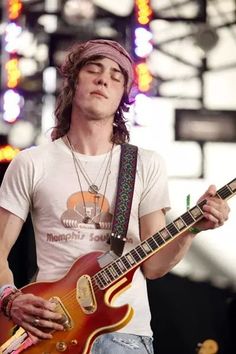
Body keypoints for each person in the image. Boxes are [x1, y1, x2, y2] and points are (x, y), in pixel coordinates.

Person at [0, 39, 230, 354]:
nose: (103, 79)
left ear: (122, 95)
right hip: (48, 329)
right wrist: (10, 299)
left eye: (116, 76)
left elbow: (153, 266)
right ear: (73, 83)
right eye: (93, 70)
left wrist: (192, 229)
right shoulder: (32, 162)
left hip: (125, 335)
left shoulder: (144, 164)